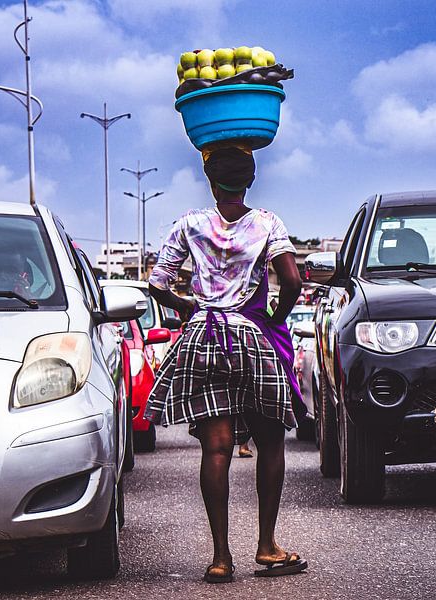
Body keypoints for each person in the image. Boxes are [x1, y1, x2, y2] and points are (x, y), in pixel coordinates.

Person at [144, 146, 308, 583]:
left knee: (215, 448)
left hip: (204, 336)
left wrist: (186, 306)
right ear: (249, 181)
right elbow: (292, 280)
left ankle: (220, 558)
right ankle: (267, 546)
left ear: (211, 182)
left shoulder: (189, 224)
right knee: (270, 440)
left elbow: (157, 283)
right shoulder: (268, 223)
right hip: (251, 337)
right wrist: (274, 317)